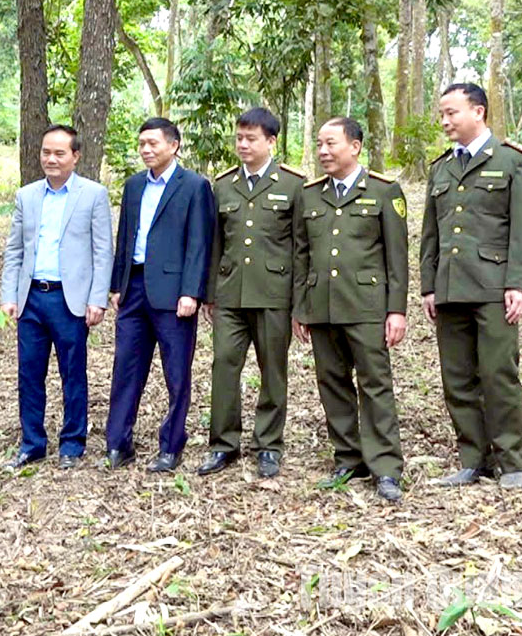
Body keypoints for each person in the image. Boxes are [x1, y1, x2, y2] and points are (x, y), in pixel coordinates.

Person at [421, 83, 522, 489]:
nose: (444, 121)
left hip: (493, 287)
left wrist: (518, 284)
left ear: (479, 112)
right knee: (457, 378)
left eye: (452, 113)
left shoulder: (513, 161)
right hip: (451, 287)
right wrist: (428, 286)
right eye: (442, 113)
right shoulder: (440, 168)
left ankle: (512, 462)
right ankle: (474, 459)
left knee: (498, 374)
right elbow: (431, 234)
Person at [293, 117, 408, 503]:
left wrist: (396, 311)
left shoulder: (383, 191)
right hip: (321, 305)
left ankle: (386, 466)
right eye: (319, 145)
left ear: (355, 147)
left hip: (367, 307)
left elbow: (397, 258)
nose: (323, 152)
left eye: (331, 144)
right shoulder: (309, 195)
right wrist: (300, 308)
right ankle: (348, 457)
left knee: (375, 384)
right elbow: (301, 256)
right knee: (332, 383)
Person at [198, 108, 306, 478]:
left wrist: (298, 303)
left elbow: (300, 248)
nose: (242, 145)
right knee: (224, 365)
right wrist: (211, 291)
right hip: (230, 294)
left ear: (271, 141)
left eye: (251, 138)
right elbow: (216, 242)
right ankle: (223, 444)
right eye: (239, 138)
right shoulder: (224, 185)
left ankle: (268, 445)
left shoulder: (294, 185)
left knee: (272, 370)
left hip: (274, 294)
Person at [0, 124, 114, 470]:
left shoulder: (93, 195)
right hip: (32, 297)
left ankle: (72, 442)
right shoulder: (27, 195)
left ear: (75, 156)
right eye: (46, 152)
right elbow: (15, 250)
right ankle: (32, 442)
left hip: (71, 300)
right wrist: (9, 294)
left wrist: (98, 299)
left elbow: (102, 251)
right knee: (29, 373)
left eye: (59, 153)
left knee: (72, 372)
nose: (51, 158)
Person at [105, 117, 215, 473]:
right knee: (126, 367)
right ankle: (118, 443)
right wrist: (117, 285)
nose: (146, 150)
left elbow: (200, 243)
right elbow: (126, 236)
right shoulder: (134, 186)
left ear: (174, 145)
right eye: (142, 144)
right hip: (134, 288)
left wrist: (191, 292)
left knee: (176, 372)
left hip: (173, 293)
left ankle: (171, 446)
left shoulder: (194, 186)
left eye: (153, 143)